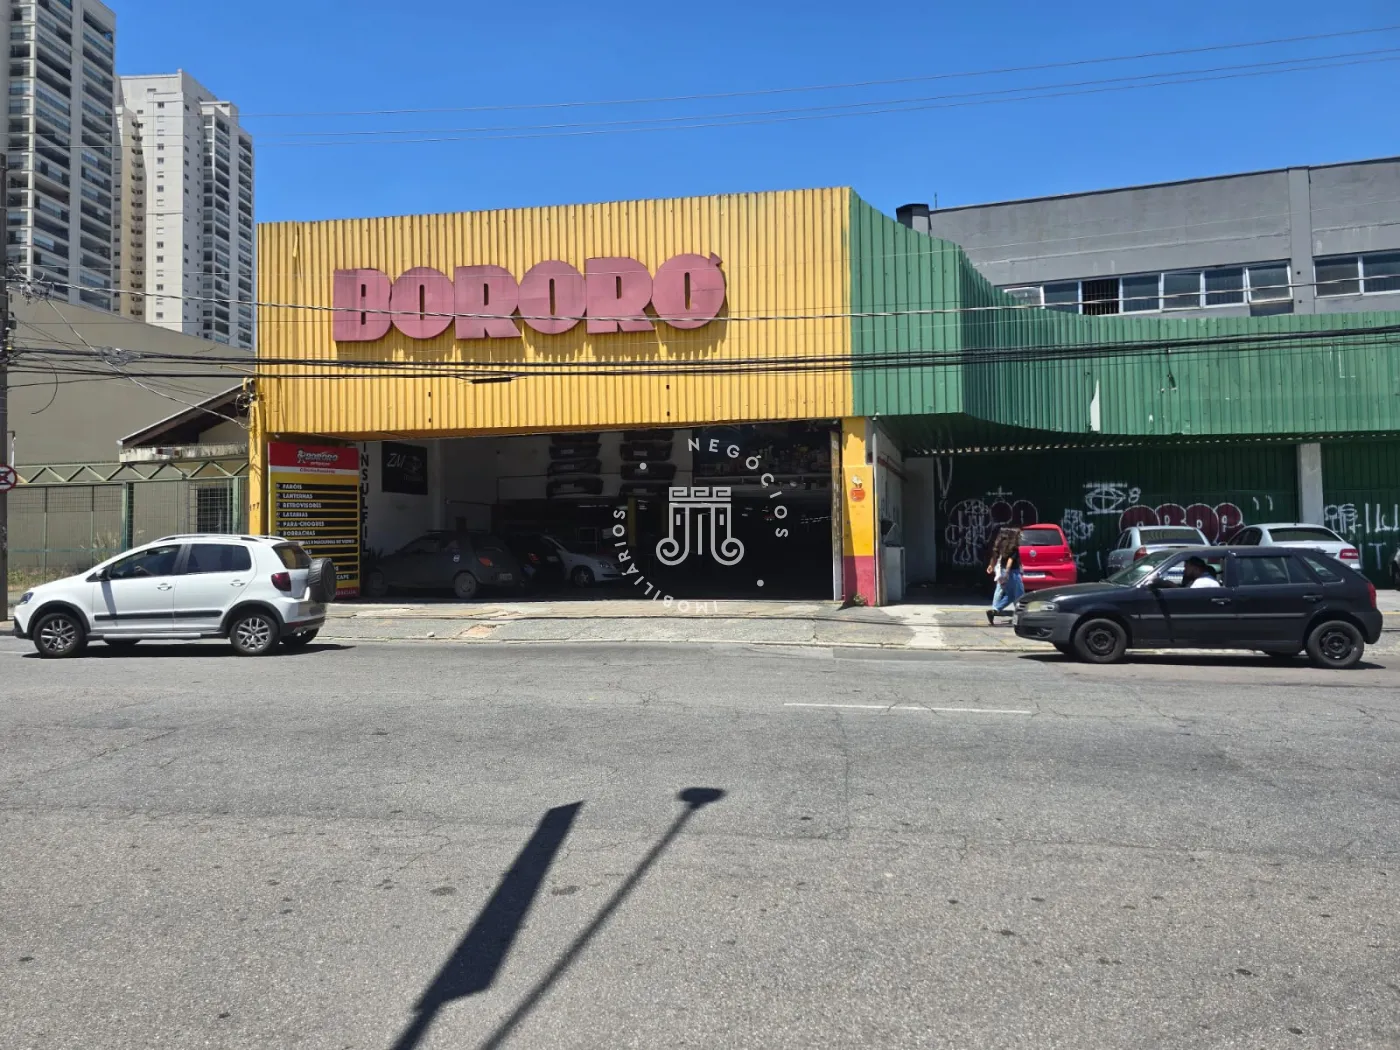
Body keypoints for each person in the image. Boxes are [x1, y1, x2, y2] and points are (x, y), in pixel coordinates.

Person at [986, 528, 1025, 624]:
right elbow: (1010, 561)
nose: (1021, 537)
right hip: (1013, 573)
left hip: (1003, 571)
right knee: (1020, 595)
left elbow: (995, 556)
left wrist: (991, 565)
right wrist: (1007, 573)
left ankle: (995, 610)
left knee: (1010, 595)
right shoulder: (1014, 548)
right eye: (1020, 535)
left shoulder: (1003, 546)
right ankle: (1021, 616)